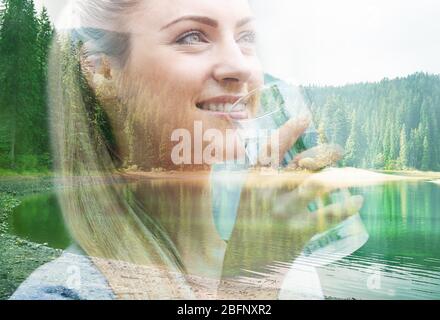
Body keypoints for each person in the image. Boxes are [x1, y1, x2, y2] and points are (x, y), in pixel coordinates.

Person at [10, 0, 363, 300]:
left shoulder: (292, 270)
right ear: (103, 71)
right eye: (192, 36)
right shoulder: (61, 291)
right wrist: (246, 287)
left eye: (246, 37)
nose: (241, 66)